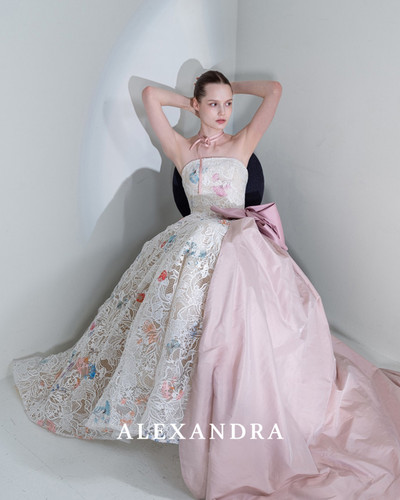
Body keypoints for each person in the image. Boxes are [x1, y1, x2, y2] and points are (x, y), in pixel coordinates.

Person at [12, 70, 400, 499]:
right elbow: (150, 96)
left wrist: (229, 86)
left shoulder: (242, 143)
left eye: (228, 104)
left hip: (241, 247)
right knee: (176, 324)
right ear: (198, 106)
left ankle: (240, 407)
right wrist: (192, 103)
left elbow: (273, 91)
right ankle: (179, 406)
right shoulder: (182, 149)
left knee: (248, 329)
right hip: (190, 243)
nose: (223, 112)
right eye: (214, 104)